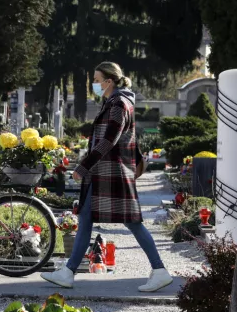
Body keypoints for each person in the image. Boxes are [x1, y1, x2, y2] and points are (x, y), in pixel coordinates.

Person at [42, 62, 173, 292]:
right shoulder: (115, 102)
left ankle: (160, 270)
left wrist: (83, 167)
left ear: (109, 81)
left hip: (110, 172)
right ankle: (68, 272)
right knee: (86, 217)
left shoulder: (119, 104)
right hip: (107, 173)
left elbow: (108, 140)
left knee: (132, 222)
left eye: (96, 79)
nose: (94, 84)